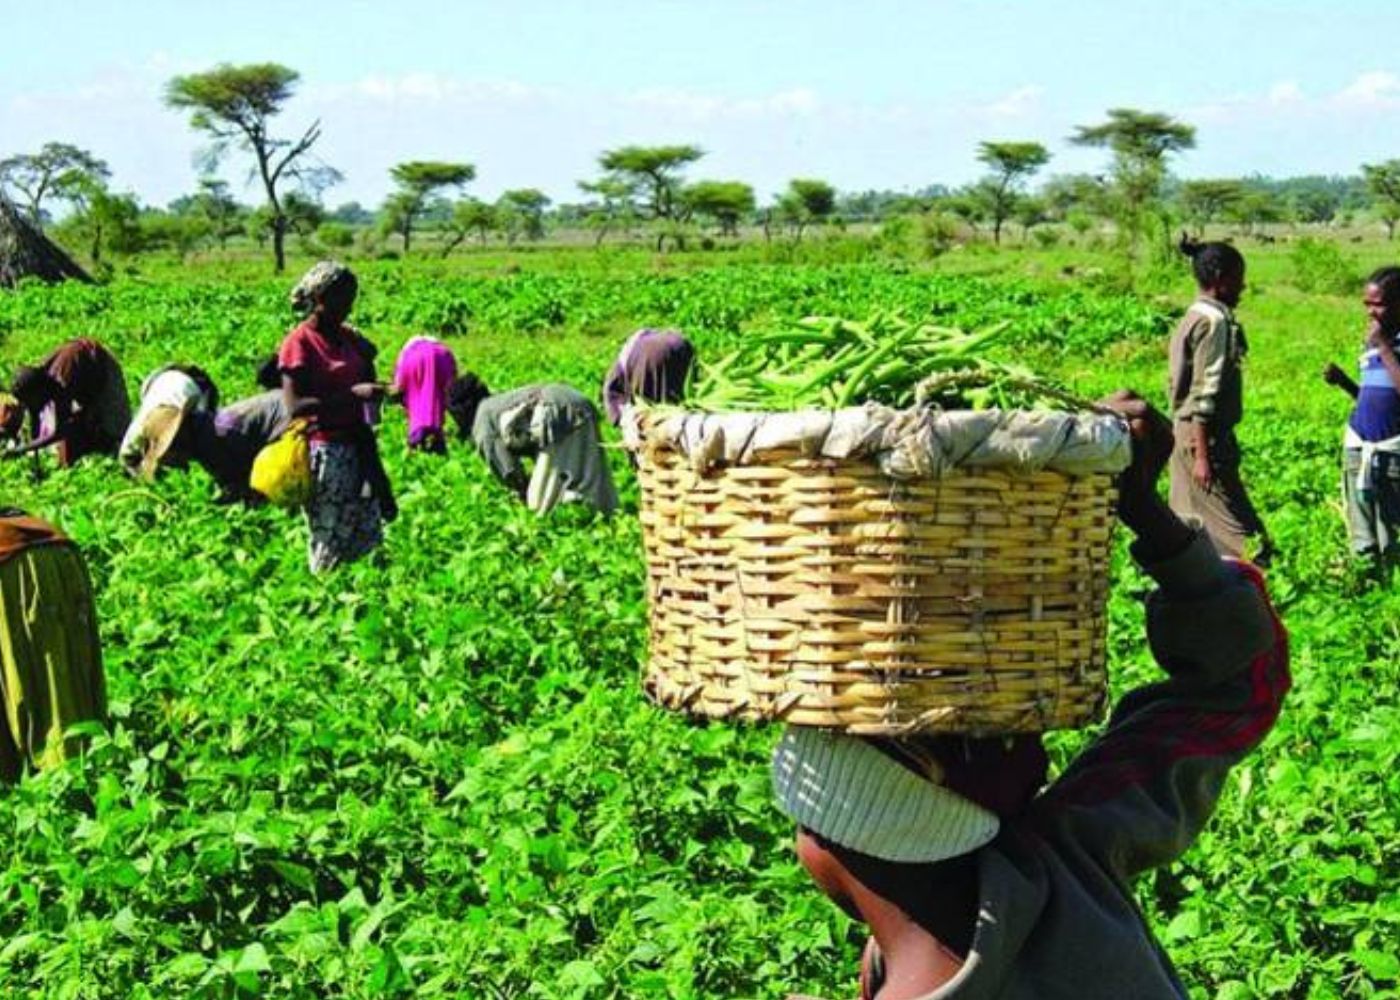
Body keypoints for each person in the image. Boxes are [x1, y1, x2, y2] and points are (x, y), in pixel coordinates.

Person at [772, 391, 1290, 999]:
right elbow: (1238, 685)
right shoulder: (1062, 859)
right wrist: (1143, 510)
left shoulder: (1059, 855)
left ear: (826, 839)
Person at [276, 261, 394, 572]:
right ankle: (325, 601)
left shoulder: (350, 339)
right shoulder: (299, 343)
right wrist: (353, 395)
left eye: (351, 299)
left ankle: (366, 601)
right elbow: (295, 406)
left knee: (368, 535)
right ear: (318, 299)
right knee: (329, 538)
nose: (347, 306)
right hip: (325, 451)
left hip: (360, 445)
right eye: (341, 299)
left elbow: (367, 376)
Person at [1167, 237, 1273, 565]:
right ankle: (1257, 591)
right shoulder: (1215, 323)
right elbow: (1204, 391)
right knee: (1245, 536)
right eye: (1238, 278)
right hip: (1203, 438)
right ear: (1219, 278)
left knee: (1188, 523)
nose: (1243, 286)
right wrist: (1202, 455)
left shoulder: (1193, 315)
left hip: (1183, 433)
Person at [0, 509, 106, 783]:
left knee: (50, 701)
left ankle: (69, 793)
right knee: (64, 684)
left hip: (17, 568)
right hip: (57, 554)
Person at [448, 375, 619, 515]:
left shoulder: (482, 420)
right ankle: (606, 517)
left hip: (556, 411)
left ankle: (576, 521)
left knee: (541, 504)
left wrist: (522, 490)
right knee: (592, 476)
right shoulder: (497, 403)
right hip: (577, 400)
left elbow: (507, 470)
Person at [1323, 266, 1400, 572]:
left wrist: (1383, 347)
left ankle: (1390, 591)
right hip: (1359, 446)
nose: (1371, 311)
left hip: (1393, 452)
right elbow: (1373, 396)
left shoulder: (1381, 343)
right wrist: (1344, 382)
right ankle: (1367, 581)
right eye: (1367, 304)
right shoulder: (1370, 343)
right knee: (1363, 531)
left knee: (1392, 527)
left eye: (1378, 304)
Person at [0, 338, 131, 468]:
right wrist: (35, 461)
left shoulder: (61, 382)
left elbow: (59, 431)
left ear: (38, 392)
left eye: (33, 401)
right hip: (84, 384)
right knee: (70, 443)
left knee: (116, 437)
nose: (33, 405)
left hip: (104, 376)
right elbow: (35, 417)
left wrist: (21, 450)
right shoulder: (36, 380)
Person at [117, 365, 219, 479]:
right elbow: (126, 459)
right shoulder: (138, 431)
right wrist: (141, 471)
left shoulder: (198, 416)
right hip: (156, 382)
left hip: (197, 383)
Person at [601, 328, 696, 426]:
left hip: (646, 358)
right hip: (677, 348)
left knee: (651, 412)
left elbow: (611, 391)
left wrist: (624, 419)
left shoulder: (623, 362)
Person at [390, 335, 458, 453]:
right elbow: (454, 383)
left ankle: (417, 440)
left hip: (412, 361)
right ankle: (436, 438)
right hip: (442, 358)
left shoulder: (407, 352)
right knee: (435, 398)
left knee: (417, 403)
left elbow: (398, 386)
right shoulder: (442, 350)